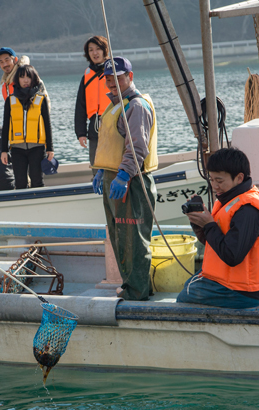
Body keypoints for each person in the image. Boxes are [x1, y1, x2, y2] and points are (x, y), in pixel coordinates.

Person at [177, 148, 259, 309]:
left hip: (246, 290)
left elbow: (232, 256)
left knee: (184, 297)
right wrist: (200, 223)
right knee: (189, 284)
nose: (214, 186)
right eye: (211, 180)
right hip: (235, 282)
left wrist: (209, 225)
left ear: (239, 178)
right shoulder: (230, 198)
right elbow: (214, 243)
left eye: (219, 181)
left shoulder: (248, 210)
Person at [92, 57, 158, 301]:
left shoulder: (136, 106)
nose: (112, 82)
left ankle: (137, 291)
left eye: (117, 77)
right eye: (108, 78)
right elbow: (114, 143)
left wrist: (122, 175)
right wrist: (102, 170)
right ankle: (132, 284)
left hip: (131, 181)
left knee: (133, 238)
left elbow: (137, 148)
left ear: (130, 77)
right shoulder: (116, 105)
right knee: (119, 235)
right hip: (114, 179)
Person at [0, 65, 54, 190]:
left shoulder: (41, 99)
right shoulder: (10, 100)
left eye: (28, 77)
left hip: (37, 147)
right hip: (17, 149)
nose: (25, 80)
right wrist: (4, 150)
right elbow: (6, 126)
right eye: (22, 77)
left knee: (37, 181)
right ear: (17, 79)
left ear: (33, 79)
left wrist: (50, 148)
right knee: (20, 183)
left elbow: (47, 124)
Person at [75, 35, 111, 167]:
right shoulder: (86, 76)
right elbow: (80, 107)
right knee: (96, 166)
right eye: (91, 50)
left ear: (104, 50)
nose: (95, 53)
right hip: (94, 127)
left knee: (114, 164)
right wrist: (81, 133)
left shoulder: (113, 72)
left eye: (98, 49)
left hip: (114, 124)